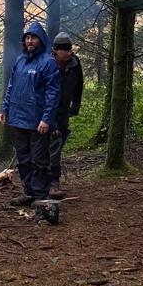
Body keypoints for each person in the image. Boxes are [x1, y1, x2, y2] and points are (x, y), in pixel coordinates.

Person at [0, 21, 61, 206]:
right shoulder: (20, 60)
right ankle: (28, 192)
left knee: (39, 159)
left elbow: (53, 93)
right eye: (27, 38)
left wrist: (46, 119)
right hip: (18, 118)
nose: (30, 41)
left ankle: (41, 196)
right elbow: (11, 87)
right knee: (23, 158)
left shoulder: (48, 63)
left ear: (41, 40)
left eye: (33, 38)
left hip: (37, 121)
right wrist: (5, 108)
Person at [48, 32, 84, 199]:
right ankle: (50, 183)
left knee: (58, 145)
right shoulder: (48, 64)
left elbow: (79, 85)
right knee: (50, 146)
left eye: (70, 49)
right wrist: (51, 122)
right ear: (56, 51)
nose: (69, 53)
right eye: (65, 50)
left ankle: (52, 181)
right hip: (46, 111)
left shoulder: (75, 64)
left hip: (63, 110)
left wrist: (75, 106)